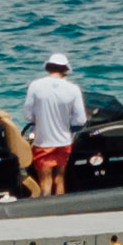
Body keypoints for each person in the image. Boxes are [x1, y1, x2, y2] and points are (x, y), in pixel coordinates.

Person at [20, 51, 85, 197]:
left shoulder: (35, 86)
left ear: (48, 67)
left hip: (43, 142)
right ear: (65, 70)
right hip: (64, 141)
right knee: (59, 180)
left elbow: (27, 115)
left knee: (45, 182)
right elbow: (80, 120)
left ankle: (44, 212)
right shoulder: (73, 89)